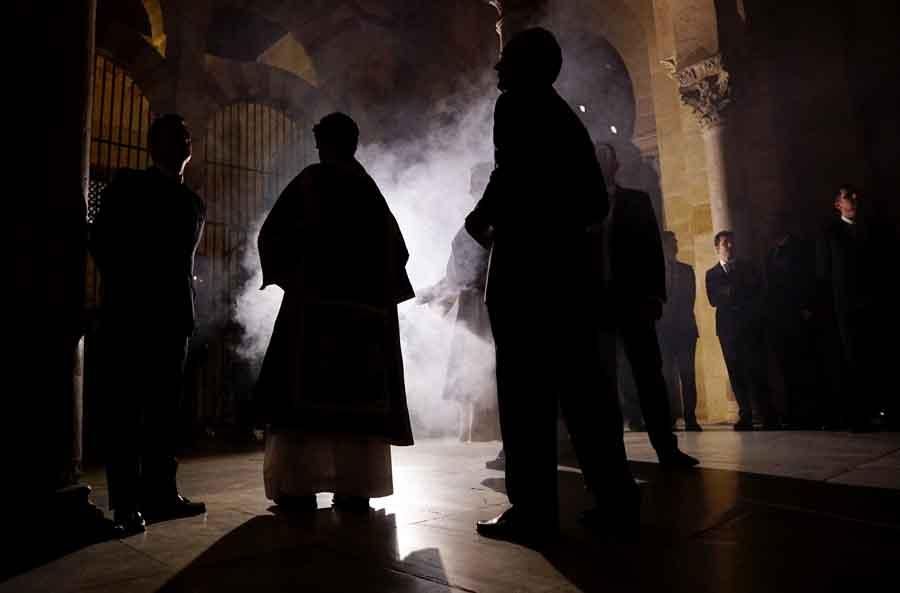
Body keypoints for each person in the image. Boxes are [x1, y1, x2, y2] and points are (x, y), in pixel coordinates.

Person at [465, 27, 638, 544]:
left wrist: (481, 219)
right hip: (571, 279)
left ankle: (532, 510)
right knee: (585, 393)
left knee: (525, 394)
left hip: (525, 274)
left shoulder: (517, 105)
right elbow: (594, 204)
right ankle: (616, 498)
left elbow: (508, 173)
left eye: (506, 59)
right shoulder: (567, 120)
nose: (497, 68)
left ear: (524, 67)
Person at [254, 112, 415, 512]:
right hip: (363, 318)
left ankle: (297, 487)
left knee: (304, 407)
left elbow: (272, 234)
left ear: (322, 143)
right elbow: (398, 251)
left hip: (314, 312)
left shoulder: (311, 181)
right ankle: (354, 488)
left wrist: (294, 277)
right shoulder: (368, 189)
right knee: (355, 409)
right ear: (353, 144)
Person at [89, 113, 207, 536]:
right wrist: (127, 288)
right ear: (154, 147)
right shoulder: (128, 185)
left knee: (163, 413)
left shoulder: (195, 202)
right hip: (132, 315)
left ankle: (161, 495)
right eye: (174, 138)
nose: (182, 144)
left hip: (174, 318)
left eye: (186, 138)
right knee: (127, 411)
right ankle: (125, 504)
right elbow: (100, 240)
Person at [594, 142, 699, 465]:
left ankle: (667, 449)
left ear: (615, 165)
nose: (601, 163)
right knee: (602, 383)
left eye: (606, 157)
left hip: (634, 302)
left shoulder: (637, 202)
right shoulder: (580, 206)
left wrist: (656, 295)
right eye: (596, 158)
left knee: (650, 377)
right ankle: (609, 459)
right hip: (596, 306)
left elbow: (654, 250)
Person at [417, 163, 501, 444]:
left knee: (485, 372)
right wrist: (435, 292)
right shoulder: (477, 221)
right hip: (473, 306)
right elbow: (457, 273)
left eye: (478, 184)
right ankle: (473, 434)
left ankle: (486, 436)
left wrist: (440, 290)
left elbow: (464, 272)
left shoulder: (487, 221)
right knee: (471, 375)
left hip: (485, 308)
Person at [816, 185, 886, 431]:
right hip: (844, 308)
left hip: (874, 305)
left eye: (855, 196)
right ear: (837, 204)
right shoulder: (830, 233)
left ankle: (881, 410)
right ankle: (857, 415)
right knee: (851, 359)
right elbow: (823, 274)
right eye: (847, 197)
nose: (854, 199)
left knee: (876, 357)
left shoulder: (873, 229)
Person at [706, 231, 779, 430]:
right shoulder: (711, 274)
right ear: (717, 248)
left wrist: (731, 291)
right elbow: (714, 299)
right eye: (725, 243)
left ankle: (767, 414)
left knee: (757, 370)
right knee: (736, 372)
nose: (729, 246)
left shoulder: (748, 268)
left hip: (749, 327)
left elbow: (755, 291)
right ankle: (745, 414)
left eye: (731, 242)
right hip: (728, 331)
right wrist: (736, 290)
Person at [765, 220, 819, 428]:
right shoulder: (771, 254)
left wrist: (806, 307)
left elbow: (806, 279)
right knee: (786, 367)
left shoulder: (800, 249)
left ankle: (809, 412)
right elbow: (771, 287)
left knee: (804, 365)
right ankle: (794, 412)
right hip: (780, 318)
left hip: (798, 315)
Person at [658, 231, 701, 431]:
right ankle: (670, 416)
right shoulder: (654, 271)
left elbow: (690, 299)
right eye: (671, 242)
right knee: (667, 376)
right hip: (664, 331)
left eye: (675, 241)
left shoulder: (687, 270)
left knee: (688, 374)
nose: (675, 244)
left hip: (684, 330)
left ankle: (690, 417)